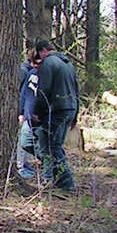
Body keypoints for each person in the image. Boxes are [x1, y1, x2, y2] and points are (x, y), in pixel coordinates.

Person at [33, 39, 79, 191]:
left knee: (53, 146)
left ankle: (66, 183)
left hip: (58, 110)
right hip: (69, 109)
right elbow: (76, 90)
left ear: (42, 51)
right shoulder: (68, 64)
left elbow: (43, 91)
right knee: (54, 145)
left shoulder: (47, 63)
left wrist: (38, 112)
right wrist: (75, 114)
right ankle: (59, 180)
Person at [16, 49, 40, 179]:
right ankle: (20, 166)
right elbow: (21, 93)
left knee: (28, 138)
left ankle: (25, 163)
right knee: (21, 140)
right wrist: (21, 112)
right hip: (22, 111)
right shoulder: (24, 71)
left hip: (27, 111)